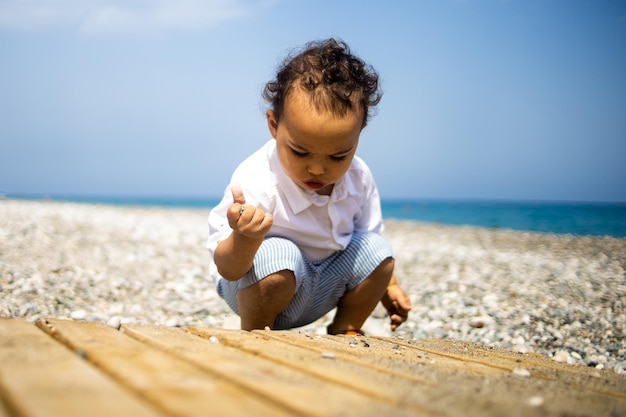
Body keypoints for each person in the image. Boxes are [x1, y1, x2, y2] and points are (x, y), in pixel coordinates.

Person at [207, 38, 411, 335]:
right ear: (274, 125)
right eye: (300, 152)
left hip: (323, 286)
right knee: (277, 253)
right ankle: (256, 333)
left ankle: (346, 330)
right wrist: (244, 238)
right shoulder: (257, 180)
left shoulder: (358, 178)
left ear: (358, 135)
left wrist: (388, 286)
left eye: (338, 155)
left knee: (378, 251)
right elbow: (228, 270)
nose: (317, 168)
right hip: (255, 284)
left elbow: (369, 236)